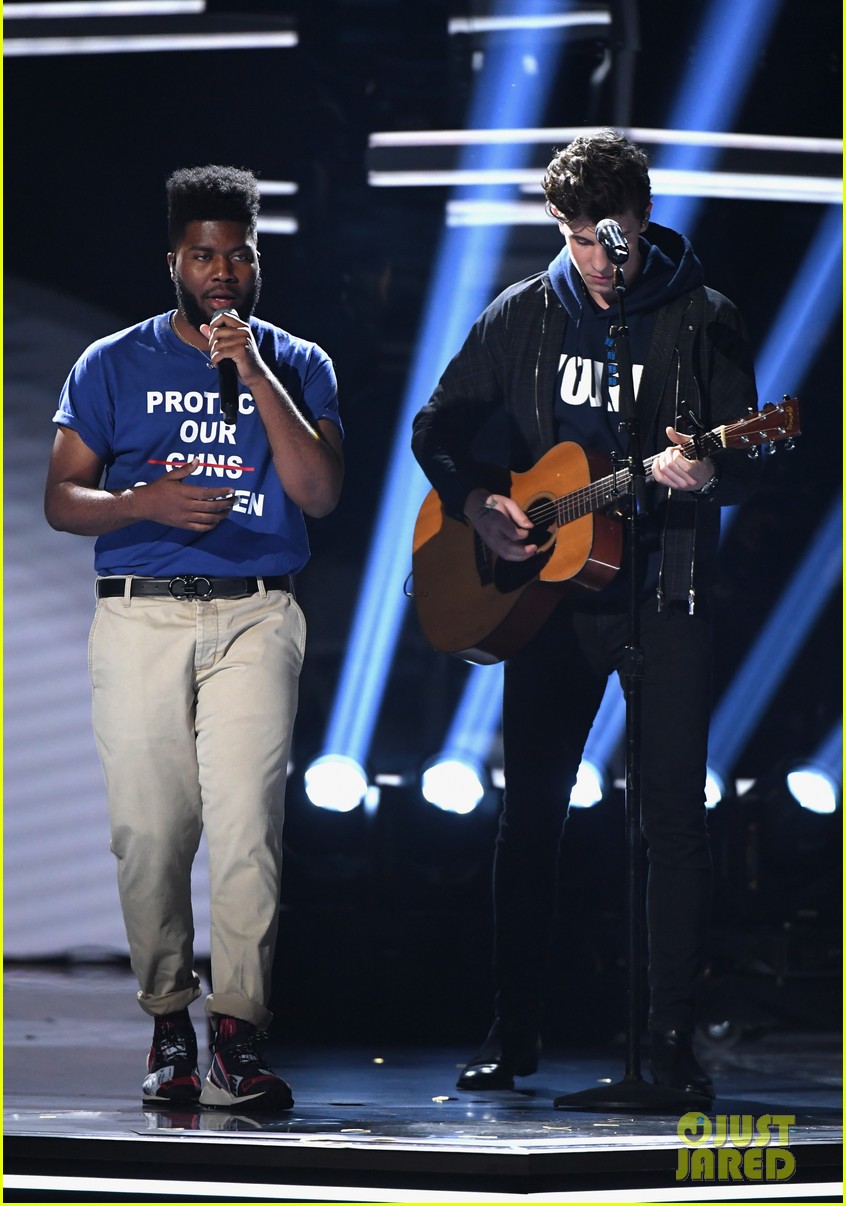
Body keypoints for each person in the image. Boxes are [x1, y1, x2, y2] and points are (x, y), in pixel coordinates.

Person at [411, 129, 760, 1104]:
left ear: (645, 215)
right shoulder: (521, 317)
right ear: (558, 226)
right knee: (529, 820)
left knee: (673, 824)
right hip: (549, 604)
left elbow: (757, 452)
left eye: (625, 237)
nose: (611, 261)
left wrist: (712, 466)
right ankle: (511, 1030)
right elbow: (436, 429)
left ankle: (667, 1045)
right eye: (589, 241)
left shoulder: (702, 318)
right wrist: (481, 501)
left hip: (665, 590)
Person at [44, 165, 344, 1110]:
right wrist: (142, 500)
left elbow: (319, 492)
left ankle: (239, 1036)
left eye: (239, 257)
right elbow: (60, 498)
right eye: (204, 256)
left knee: (250, 827)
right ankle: (169, 1020)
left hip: (255, 611)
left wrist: (251, 372)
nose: (223, 274)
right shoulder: (110, 362)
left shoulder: (299, 363)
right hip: (139, 613)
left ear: (258, 263)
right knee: (149, 833)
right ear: (173, 260)